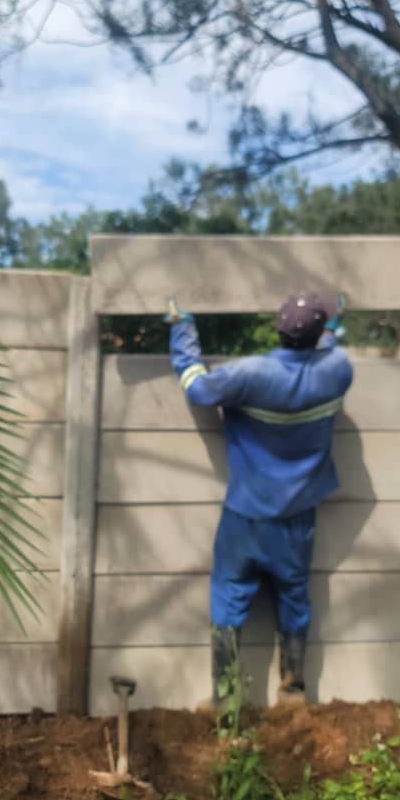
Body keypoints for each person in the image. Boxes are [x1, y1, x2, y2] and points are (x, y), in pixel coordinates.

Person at [164, 291, 353, 708]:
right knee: (294, 598)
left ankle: (225, 702)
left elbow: (197, 388)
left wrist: (183, 331)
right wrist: (333, 328)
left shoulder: (250, 375)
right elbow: (326, 352)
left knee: (228, 599)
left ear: (277, 327)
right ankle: (292, 692)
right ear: (320, 334)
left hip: (245, 518)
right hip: (298, 519)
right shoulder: (338, 370)